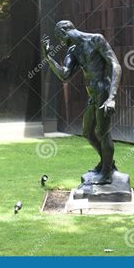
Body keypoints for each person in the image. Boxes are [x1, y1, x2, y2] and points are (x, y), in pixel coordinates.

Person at [41, 21, 121, 184]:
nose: (61, 43)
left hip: (103, 91)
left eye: (60, 38)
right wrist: (48, 58)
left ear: (64, 31)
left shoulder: (96, 40)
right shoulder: (74, 50)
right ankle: (108, 163)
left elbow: (115, 65)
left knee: (103, 132)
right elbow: (64, 75)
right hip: (92, 94)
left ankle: (106, 173)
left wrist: (111, 97)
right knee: (87, 131)